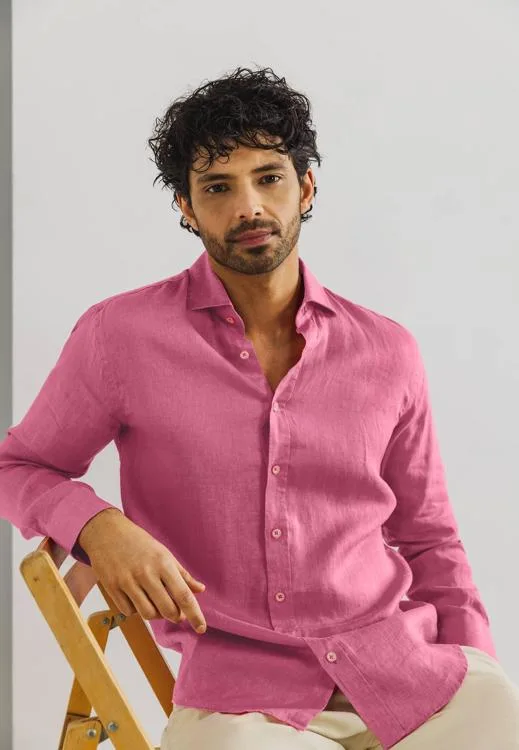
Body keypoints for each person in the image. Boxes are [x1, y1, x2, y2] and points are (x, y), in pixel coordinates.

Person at [1, 65, 518, 750]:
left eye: (268, 178)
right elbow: (19, 466)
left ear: (305, 188)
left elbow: (429, 538)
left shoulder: (387, 350)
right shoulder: (119, 337)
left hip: (409, 674)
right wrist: (98, 526)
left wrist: (474, 660)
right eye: (218, 187)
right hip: (243, 704)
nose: (248, 207)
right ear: (186, 208)